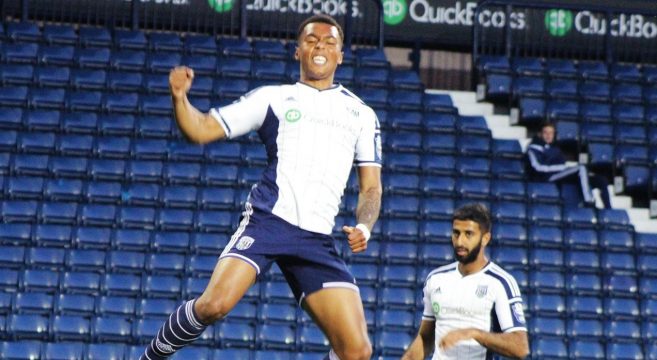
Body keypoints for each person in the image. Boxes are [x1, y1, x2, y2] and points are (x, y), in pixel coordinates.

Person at [140, 14, 382, 360]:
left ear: (341, 55)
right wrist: (180, 99)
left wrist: (364, 226)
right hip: (269, 221)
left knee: (356, 350)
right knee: (214, 305)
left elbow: (371, 188)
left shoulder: (361, 114)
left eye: (330, 42)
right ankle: (150, 356)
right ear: (297, 51)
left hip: (316, 239)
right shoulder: (273, 98)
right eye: (312, 40)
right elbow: (202, 130)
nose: (320, 47)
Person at [402, 203, 529, 360]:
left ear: (485, 238)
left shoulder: (501, 283)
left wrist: (473, 333)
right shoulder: (435, 278)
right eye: (456, 233)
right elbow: (426, 338)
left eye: (468, 234)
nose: (460, 242)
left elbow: (520, 347)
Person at [527, 122, 612, 209]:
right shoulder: (533, 149)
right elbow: (538, 167)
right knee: (581, 168)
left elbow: (562, 163)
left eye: (551, 133)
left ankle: (608, 209)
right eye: (546, 132)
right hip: (547, 177)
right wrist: (563, 167)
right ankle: (588, 201)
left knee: (601, 180)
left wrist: (564, 168)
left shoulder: (555, 148)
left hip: (560, 174)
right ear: (540, 134)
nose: (549, 135)